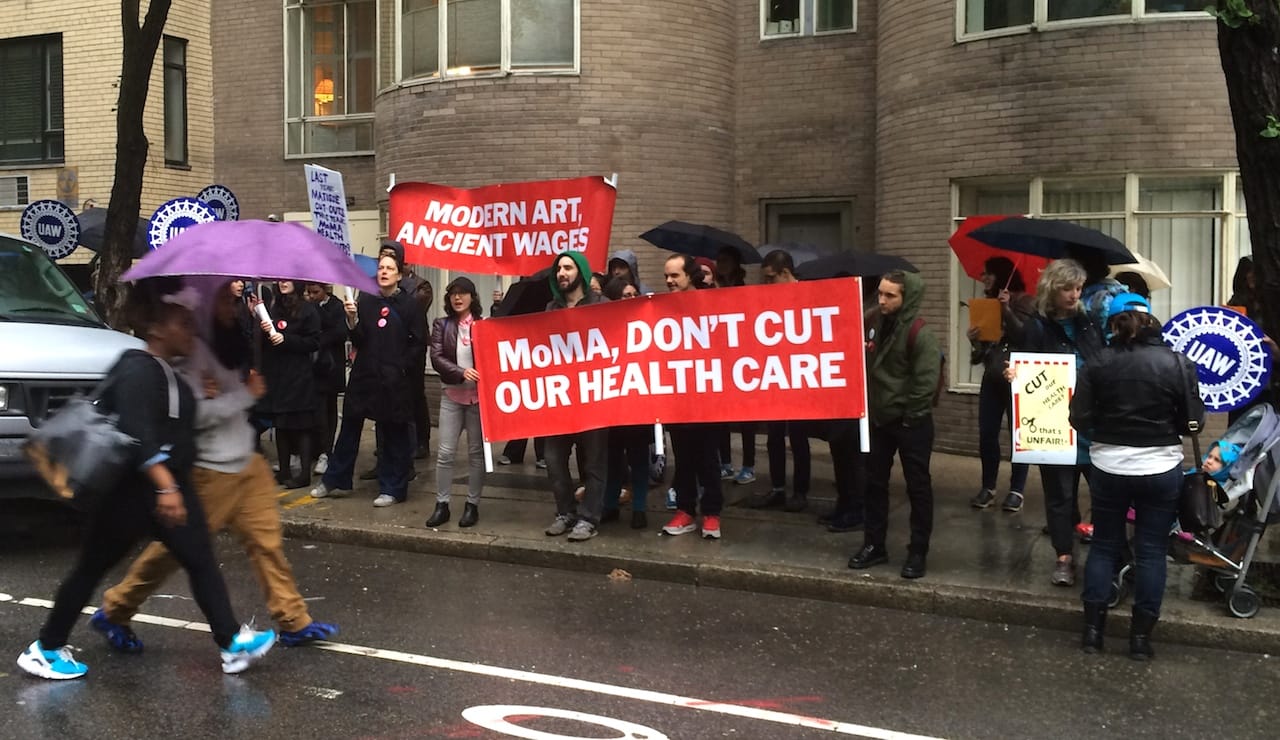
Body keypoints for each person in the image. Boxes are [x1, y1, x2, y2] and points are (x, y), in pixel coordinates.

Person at [17, 279, 275, 680]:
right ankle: (45, 649)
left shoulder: (166, 372)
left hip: (164, 489)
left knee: (201, 560)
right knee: (90, 569)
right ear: (156, 328)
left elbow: (172, 424)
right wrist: (166, 486)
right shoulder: (138, 368)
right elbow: (139, 434)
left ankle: (231, 644)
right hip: (131, 494)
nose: (191, 331)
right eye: (182, 324)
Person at [91, 281, 339, 653]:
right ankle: (116, 608)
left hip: (246, 462)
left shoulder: (227, 340)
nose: (230, 305)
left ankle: (293, 620)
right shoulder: (189, 352)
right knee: (174, 551)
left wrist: (243, 383)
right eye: (223, 299)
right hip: (211, 469)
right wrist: (245, 395)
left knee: (267, 542)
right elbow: (192, 415)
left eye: (230, 298)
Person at [1070, 292, 1203, 659]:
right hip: (1160, 468)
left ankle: (1093, 633)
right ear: (1150, 320)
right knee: (1151, 552)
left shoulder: (1097, 362)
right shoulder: (1177, 363)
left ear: (1112, 324)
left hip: (1108, 466)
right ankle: (1141, 640)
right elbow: (1192, 422)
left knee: (1103, 546)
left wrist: (1105, 427)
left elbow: (1078, 418)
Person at [1012, 259, 1105, 587]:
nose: (1074, 294)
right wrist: (1013, 373)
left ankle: (1105, 549)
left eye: (1078, 288)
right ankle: (1063, 556)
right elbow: (1022, 367)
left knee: (1103, 492)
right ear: (1052, 288)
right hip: (1054, 423)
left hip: (1091, 423)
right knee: (1059, 495)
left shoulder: (1088, 322)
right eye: (1067, 288)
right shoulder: (1036, 326)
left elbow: (1102, 361)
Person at [311, 251, 426, 507]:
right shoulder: (367, 300)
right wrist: (352, 320)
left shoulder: (410, 306)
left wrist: (401, 368)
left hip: (393, 380)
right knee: (349, 428)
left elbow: (419, 343)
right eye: (381, 268)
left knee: (393, 434)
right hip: (365, 375)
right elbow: (359, 339)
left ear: (399, 274)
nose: (384, 272)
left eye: (389, 268)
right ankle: (336, 480)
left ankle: (393, 487)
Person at [848, 270, 940, 579]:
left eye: (890, 295)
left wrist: (909, 417)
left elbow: (925, 383)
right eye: (880, 293)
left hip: (911, 423)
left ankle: (918, 552)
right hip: (879, 419)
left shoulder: (920, 334)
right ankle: (874, 545)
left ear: (906, 297)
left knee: (918, 487)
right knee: (874, 483)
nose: (882, 300)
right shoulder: (875, 324)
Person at [542, 251, 610, 541]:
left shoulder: (602, 306)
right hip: (560, 399)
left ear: (580, 272)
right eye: (559, 268)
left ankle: (589, 518)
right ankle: (565, 512)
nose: (562, 273)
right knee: (553, 458)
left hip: (593, 398)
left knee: (594, 462)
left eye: (568, 268)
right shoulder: (551, 308)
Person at [660, 254, 725, 539]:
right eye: (666, 276)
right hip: (677, 398)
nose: (669, 281)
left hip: (708, 397)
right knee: (683, 458)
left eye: (675, 275)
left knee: (708, 458)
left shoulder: (713, 304)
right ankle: (685, 510)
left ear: (690, 275)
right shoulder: (662, 309)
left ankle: (711, 513)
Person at [967, 257, 1034, 512]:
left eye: (989, 274)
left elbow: (1026, 338)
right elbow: (979, 355)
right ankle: (989, 487)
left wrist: (1006, 310)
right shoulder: (987, 304)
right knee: (987, 433)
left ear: (1002, 275)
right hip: (992, 376)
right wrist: (975, 340)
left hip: (1016, 377)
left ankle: (1017, 489)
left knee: (1019, 434)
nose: (984, 278)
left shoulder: (1025, 301)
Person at [746, 250, 811, 511]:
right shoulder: (769, 299)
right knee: (774, 435)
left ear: (785, 273)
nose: (767, 283)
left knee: (798, 436)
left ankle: (801, 491)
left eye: (771, 278)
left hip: (798, 376)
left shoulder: (808, 296)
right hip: (775, 374)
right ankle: (778, 488)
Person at [426, 276, 486, 528]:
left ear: (473, 297)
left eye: (463, 293)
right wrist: (461, 372)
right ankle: (442, 504)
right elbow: (437, 357)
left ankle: (472, 505)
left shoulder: (483, 325)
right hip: (451, 396)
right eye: (453, 293)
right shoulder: (442, 325)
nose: (458, 297)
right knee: (445, 454)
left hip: (478, 400)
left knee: (476, 454)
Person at [255, 280, 321, 489]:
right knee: (281, 424)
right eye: (280, 279)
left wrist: (286, 339)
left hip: (298, 376)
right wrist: (265, 330)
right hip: (278, 375)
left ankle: (304, 474)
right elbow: (266, 343)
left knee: (301, 425)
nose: (282, 282)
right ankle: (284, 470)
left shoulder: (308, 310)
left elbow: (313, 342)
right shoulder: (275, 307)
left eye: (287, 279)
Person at [601, 276, 649, 529]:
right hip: (611, 404)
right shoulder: (603, 327)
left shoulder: (647, 324)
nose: (631, 299)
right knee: (612, 458)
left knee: (638, 458)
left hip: (638, 403)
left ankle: (639, 508)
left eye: (634, 295)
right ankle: (610, 505)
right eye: (626, 295)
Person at [304, 282, 348, 475]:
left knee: (327, 411)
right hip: (312, 367)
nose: (312, 296)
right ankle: (315, 449)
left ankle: (326, 451)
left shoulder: (336, 306)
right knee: (315, 411)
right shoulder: (307, 307)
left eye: (316, 292)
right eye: (309, 292)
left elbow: (339, 333)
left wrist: (318, 337)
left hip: (330, 366)